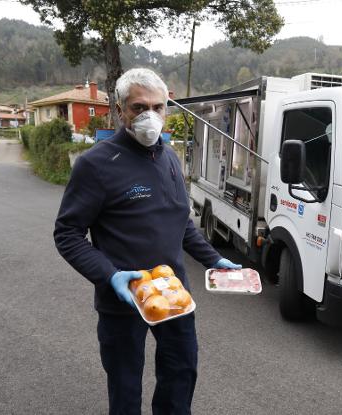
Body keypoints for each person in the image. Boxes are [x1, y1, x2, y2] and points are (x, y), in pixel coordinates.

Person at [53, 68, 241, 415]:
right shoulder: (96, 165)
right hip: (123, 299)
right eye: (139, 107)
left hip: (172, 293)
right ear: (120, 109)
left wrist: (215, 259)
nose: (149, 116)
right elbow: (67, 234)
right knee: (125, 387)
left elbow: (179, 223)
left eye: (158, 107)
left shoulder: (169, 158)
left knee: (181, 372)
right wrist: (109, 275)